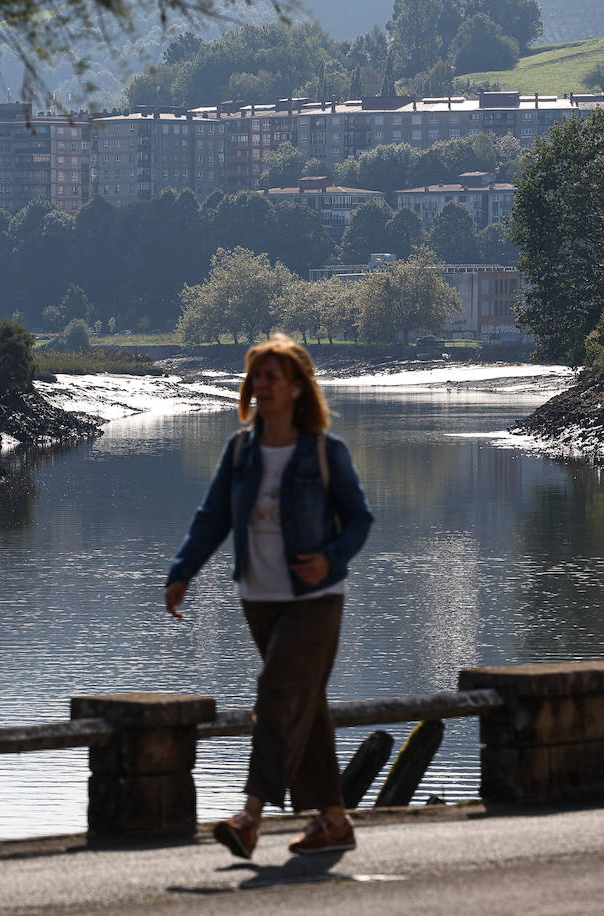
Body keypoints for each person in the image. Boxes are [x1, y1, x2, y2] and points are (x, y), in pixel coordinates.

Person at [165, 334, 374, 859]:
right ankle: (334, 820)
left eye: (272, 378)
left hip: (316, 598)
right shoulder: (241, 451)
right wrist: (182, 571)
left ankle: (250, 815)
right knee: (304, 703)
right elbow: (212, 518)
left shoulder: (326, 452)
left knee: (277, 692)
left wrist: (331, 557)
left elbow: (359, 520)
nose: (261, 386)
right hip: (258, 598)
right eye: (256, 376)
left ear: (298, 388)